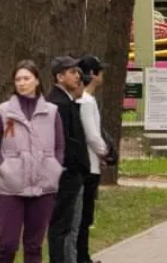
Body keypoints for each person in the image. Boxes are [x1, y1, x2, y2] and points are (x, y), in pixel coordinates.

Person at [0, 60, 65, 263]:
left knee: (34, 245)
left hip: (43, 186)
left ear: (37, 80)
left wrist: (55, 167)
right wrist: (4, 167)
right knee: (8, 244)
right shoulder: (3, 112)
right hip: (11, 187)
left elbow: (59, 146)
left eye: (26, 78)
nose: (22, 83)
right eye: (18, 79)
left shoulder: (52, 112)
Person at [47, 56, 91, 263]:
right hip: (66, 176)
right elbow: (64, 143)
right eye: (72, 72)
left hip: (72, 174)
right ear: (59, 76)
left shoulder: (67, 101)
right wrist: (74, 168)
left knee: (69, 225)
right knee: (63, 226)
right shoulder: (58, 104)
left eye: (77, 72)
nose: (78, 76)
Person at [76, 55, 109, 263]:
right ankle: (82, 257)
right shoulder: (87, 101)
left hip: (89, 163)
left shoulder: (83, 99)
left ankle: (83, 255)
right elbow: (92, 135)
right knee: (84, 216)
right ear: (94, 75)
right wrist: (105, 152)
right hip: (89, 165)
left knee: (85, 216)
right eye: (100, 71)